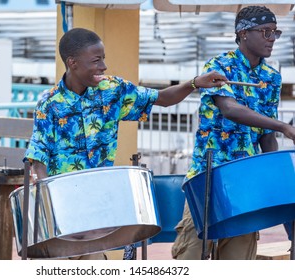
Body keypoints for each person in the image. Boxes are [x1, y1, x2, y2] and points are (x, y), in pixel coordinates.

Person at [24, 27, 227, 260]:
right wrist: (43, 194)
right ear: (73, 63)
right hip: (62, 207)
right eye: (96, 60)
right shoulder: (50, 104)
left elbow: (162, 98)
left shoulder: (112, 91)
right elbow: (38, 155)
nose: (103, 66)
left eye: (104, 59)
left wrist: (195, 83)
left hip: (96, 206)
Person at [171, 5, 295, 260]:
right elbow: (230, 109)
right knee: (190, 257)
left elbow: (266, 135)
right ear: (244, 33)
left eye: (275, 32)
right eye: (266, 32)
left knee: (237, 262)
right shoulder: (219, 66)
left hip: (245, 181)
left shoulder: (271, 78)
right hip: (209, 175)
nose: (272, 39)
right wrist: (284, 126)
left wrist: (274, 180)